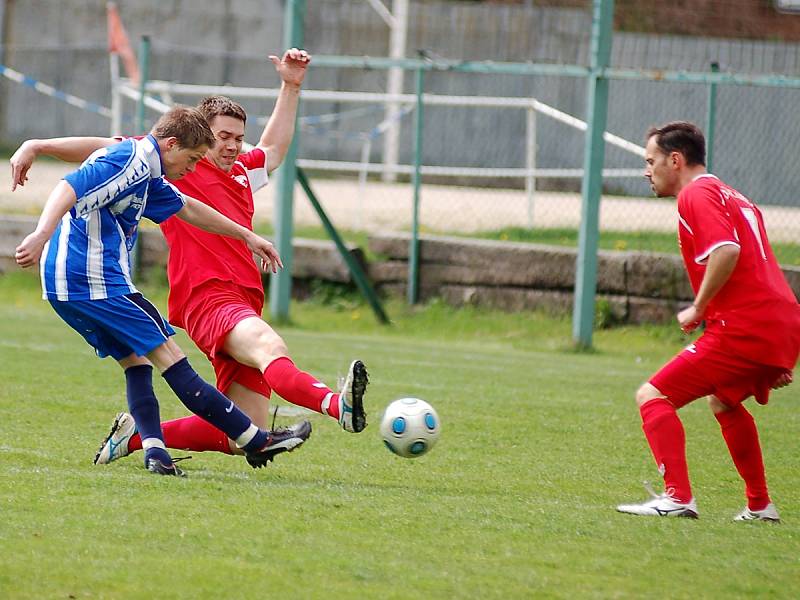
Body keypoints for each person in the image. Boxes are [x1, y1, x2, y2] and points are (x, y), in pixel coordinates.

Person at [10, 49, 368, 466]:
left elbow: (272, 149)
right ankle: (335, 407)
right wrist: (39, 146)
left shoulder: (232, 172)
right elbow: (102, 150)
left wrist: (290, 86)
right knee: (267, 346)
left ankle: (141, 439)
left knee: (236, 428)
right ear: (197, 138)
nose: (233, 146)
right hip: (207, 297)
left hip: (243, 298)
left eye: (239, 137)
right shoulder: (173, 164)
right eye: (224, 138)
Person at [616, 121, 800, 521]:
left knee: (653, 396)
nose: (647, 171)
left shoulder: (695, 193)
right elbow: (759, 265)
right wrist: (776, 352)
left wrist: (699, 307)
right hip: (776, 321)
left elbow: (728, 251)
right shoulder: (733, 195)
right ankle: (760, 505)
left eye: (651, 161)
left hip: (745, 325)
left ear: (675, 159)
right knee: (724, 400)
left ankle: (677, 497)